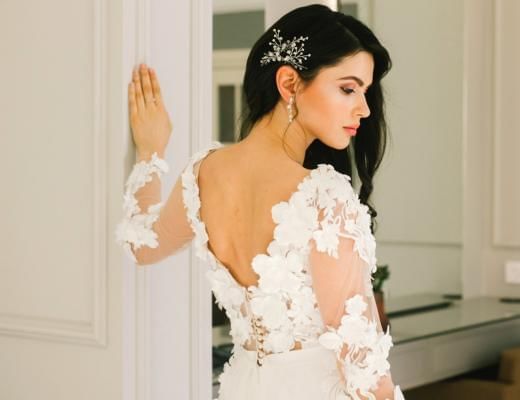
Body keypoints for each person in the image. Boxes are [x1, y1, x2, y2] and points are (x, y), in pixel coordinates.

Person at [116, 4, 404, 400]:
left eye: (365, 92)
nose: (365, 109)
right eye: (348, 88)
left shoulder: (202, 174)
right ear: (289, 83)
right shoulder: (325, 196)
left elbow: (140, 244)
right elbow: (363, 365)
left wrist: (150, 152)